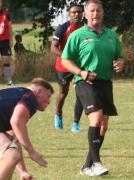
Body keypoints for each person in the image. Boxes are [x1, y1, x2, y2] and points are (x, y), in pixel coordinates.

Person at [61, 0, 124, 176]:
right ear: (86, 15)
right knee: (95, 120)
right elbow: (65, 60)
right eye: (92, 11)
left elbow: (119, 57)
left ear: (102, 13)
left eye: (98, 10)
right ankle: (96, 163)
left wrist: (119, 63)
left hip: (105, 83)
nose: (95, 13)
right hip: (85, 83)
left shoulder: (111, 35)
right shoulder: (78, 35)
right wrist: (80, 72)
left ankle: (87, 166)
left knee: (103, 126)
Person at [0, 77, 54, 180]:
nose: (49, 101)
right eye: (48, 96)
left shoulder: (15, 96)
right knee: (11, 155)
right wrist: (32, 151)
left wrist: (23, 171)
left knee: (10, 154)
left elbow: (14, 137)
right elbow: (17, 121)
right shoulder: (30, 97)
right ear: (39, 91)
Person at [51, 3, 84, 132]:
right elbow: (53, 47)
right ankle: (58, 115)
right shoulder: (63, 27)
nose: (76, 14)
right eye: (73, 12)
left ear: (83, 14)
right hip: (63, 66)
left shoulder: (86, 28)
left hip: (80, 66)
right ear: (69, 14)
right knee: (63, 93)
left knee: (81, 94)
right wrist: (66, 57)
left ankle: (76, 123)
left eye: (79, 12)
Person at [0, 0, 13, 85]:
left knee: (6, 60)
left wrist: (11, 40)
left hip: (4, 41)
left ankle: (8, 79)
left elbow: (10, 27)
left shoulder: (6, 14)